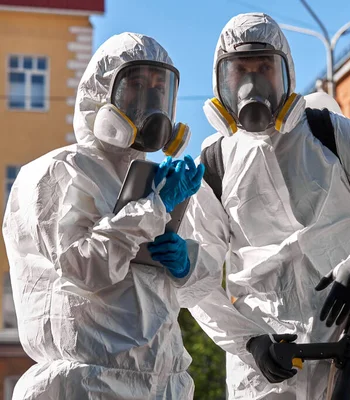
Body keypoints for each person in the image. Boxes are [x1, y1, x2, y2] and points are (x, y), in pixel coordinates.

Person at [185, 13, 350, 400]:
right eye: (240, 71)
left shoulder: (331, 133)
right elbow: (196, 281)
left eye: (265, 68)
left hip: (347, 352)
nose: (253, 84)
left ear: (285, 72)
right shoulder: (215, 164)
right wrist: (249, 342)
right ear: (223, 81)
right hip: (264, 373)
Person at [2, 32, 220, 399]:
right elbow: (82, 268)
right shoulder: (57, 172)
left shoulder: (154, 181)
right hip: (86, 386)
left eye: (159, 90)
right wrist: (152, 209)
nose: (150, 101)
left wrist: (186, 263)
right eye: (136, 86)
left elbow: (197, 289)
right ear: (102, 93)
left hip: (164, 384)